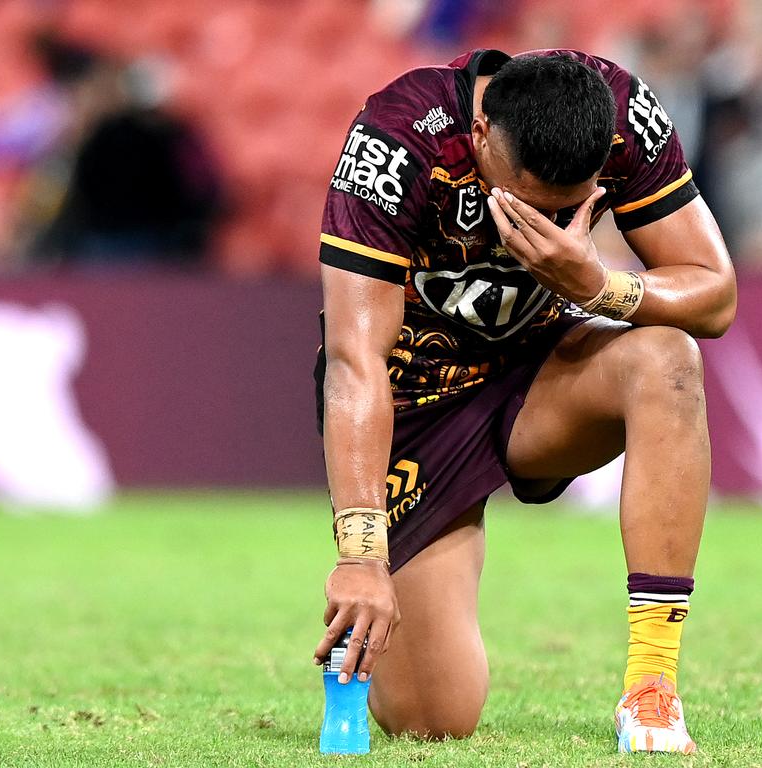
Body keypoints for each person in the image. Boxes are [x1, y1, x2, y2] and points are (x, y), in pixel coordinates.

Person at [312, 48, 736, 754]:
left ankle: (652, 689)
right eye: (525, 201)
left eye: (566, 209)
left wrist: (602, 287)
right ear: (480, 136)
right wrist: (360, 553)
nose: (542, 227)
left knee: (669, 360)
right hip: (417, 404)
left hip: (543, 376)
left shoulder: (625, 115)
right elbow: (357, 365)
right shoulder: (398, 141)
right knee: (433, 718)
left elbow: (715, 294)